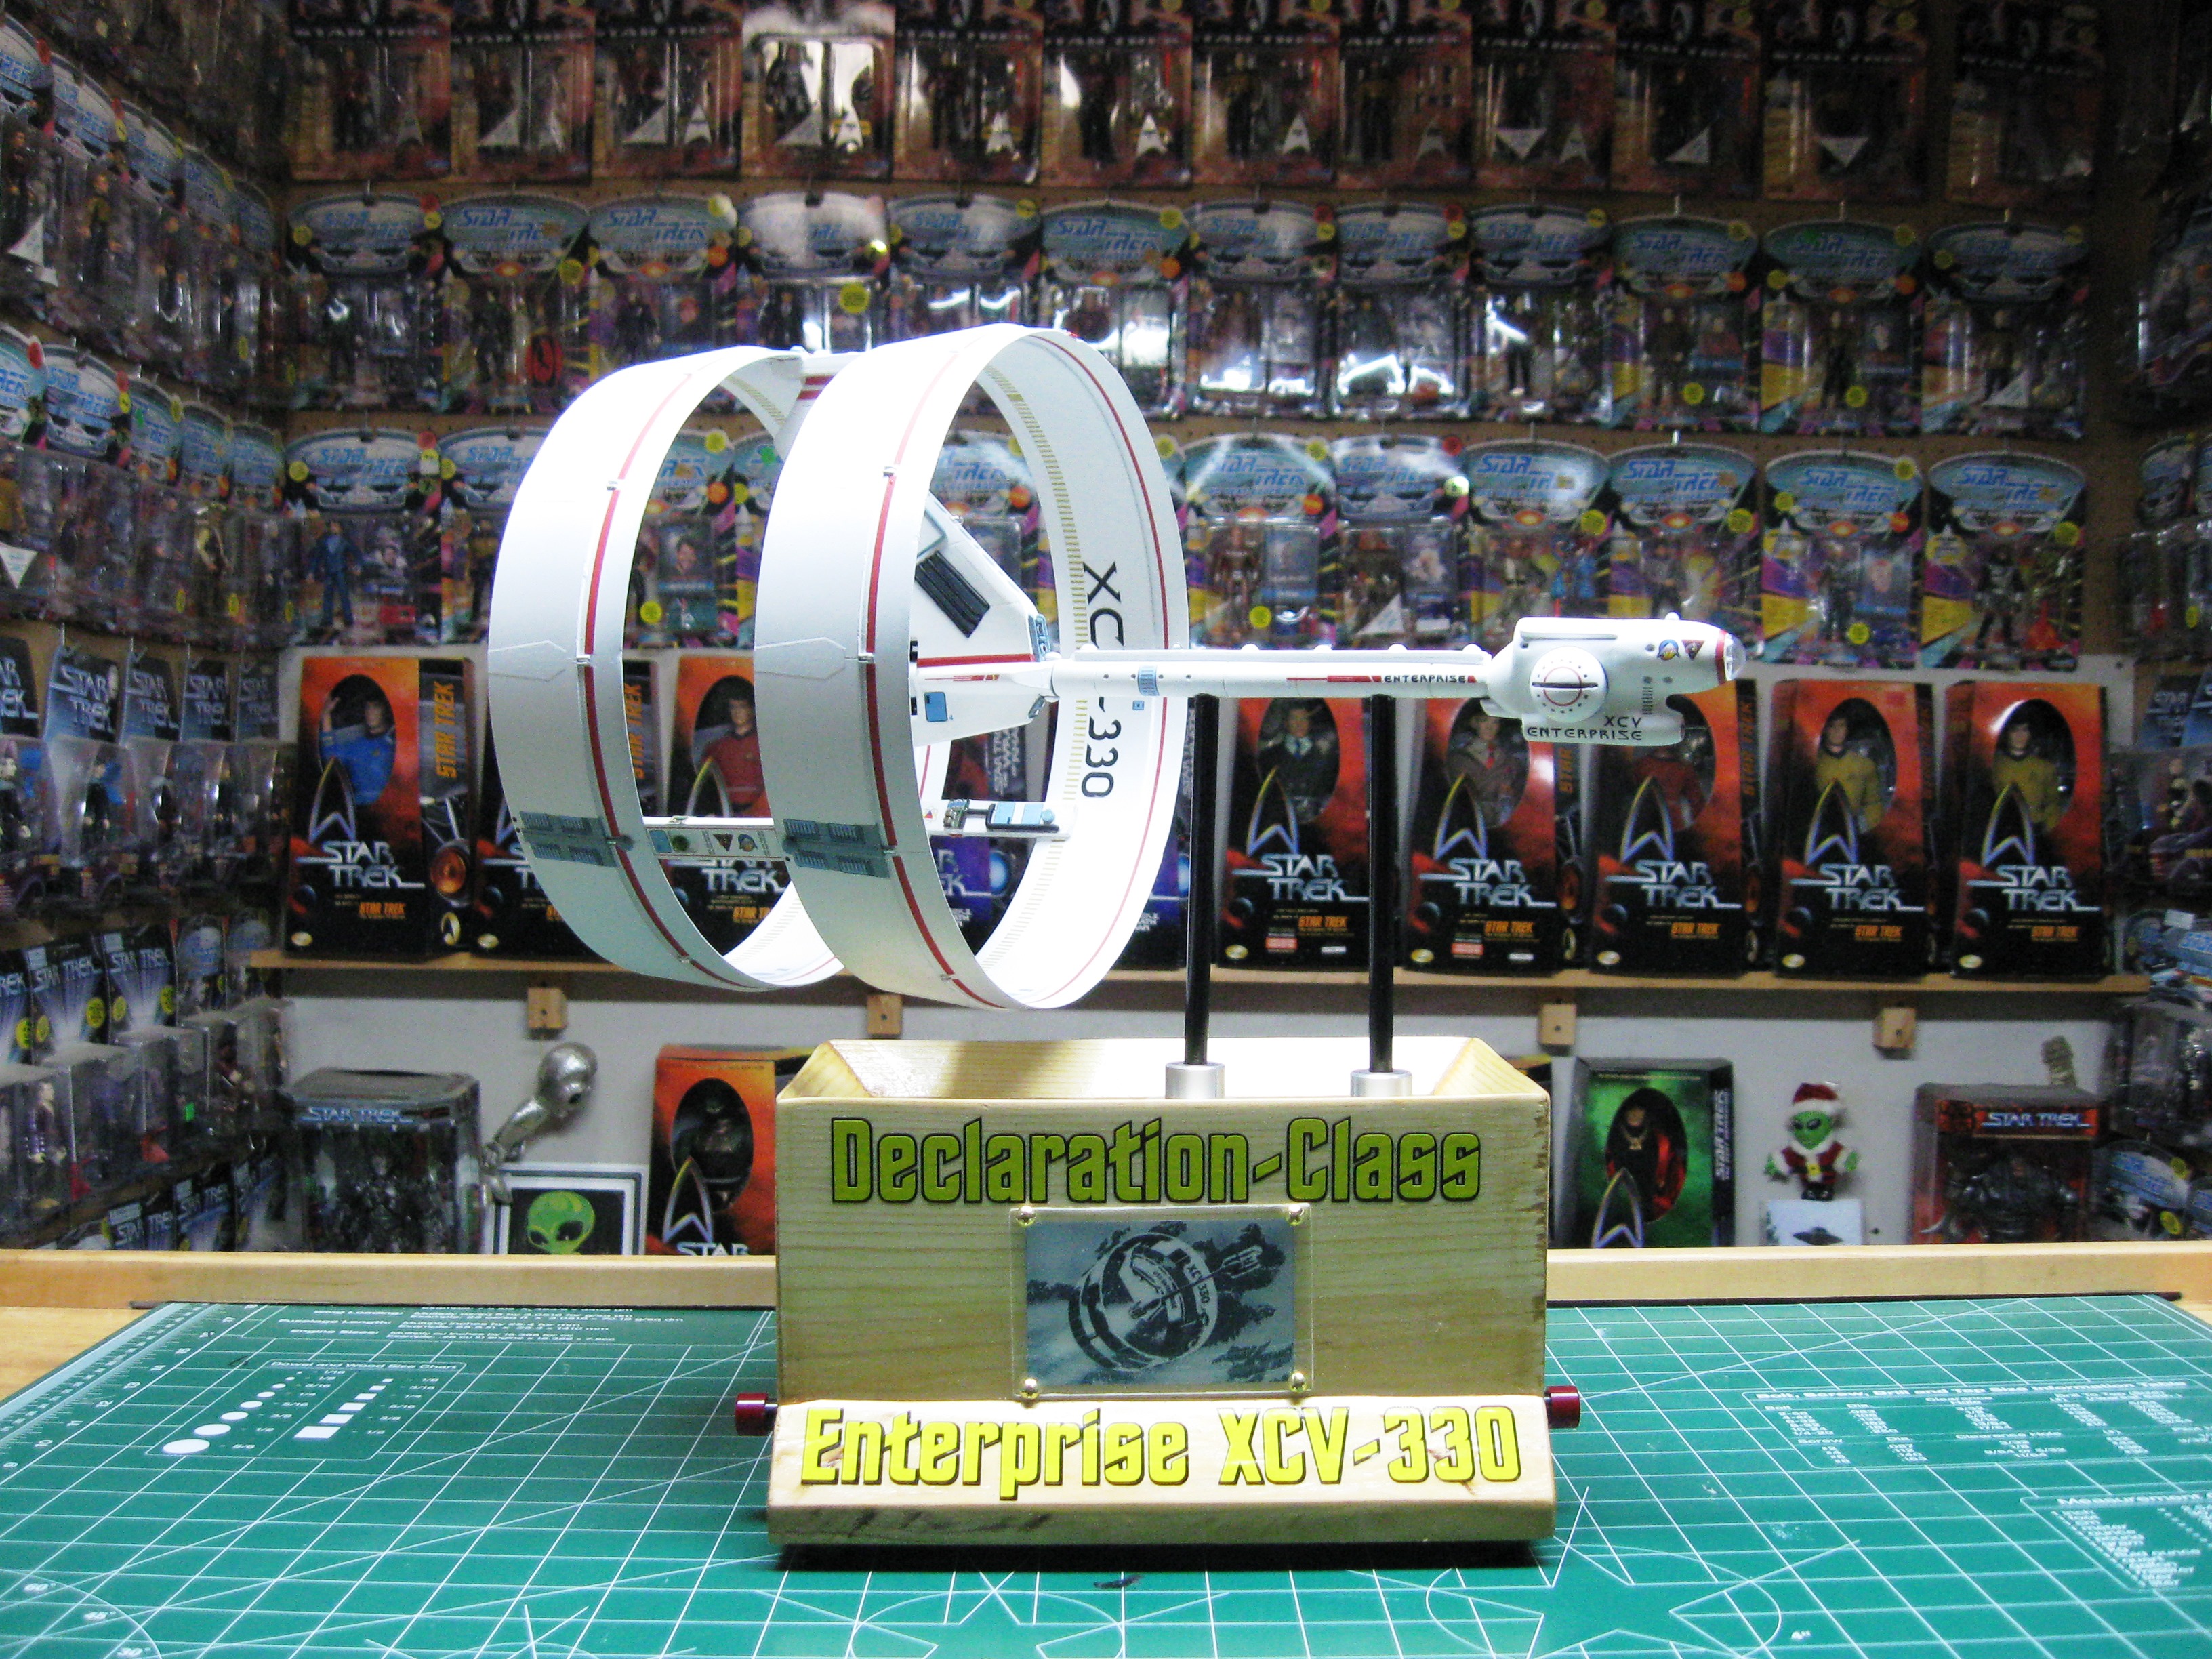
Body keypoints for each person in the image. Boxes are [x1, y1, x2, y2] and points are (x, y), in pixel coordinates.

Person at [1812, 711, 1885, 832]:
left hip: (1852, 830)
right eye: (1832, 726)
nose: (1837, 731)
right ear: (1825, 729)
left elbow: (1873, 804)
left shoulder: (1864, 765)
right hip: (1818, 829)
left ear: (1847, 729)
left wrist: (1868, 832)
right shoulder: (1813, 763)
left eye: (1841, 726)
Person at [1991, 712, 2062, 832]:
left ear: (2031, 734)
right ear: (2006, 733)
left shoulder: (2044, 768)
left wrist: (2045, 831)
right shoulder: (1994, 766)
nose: (2020, 736)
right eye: (2015, 730)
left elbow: (2054, 804)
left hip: (2034, 830)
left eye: (2025, 730)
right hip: (1999, 831)